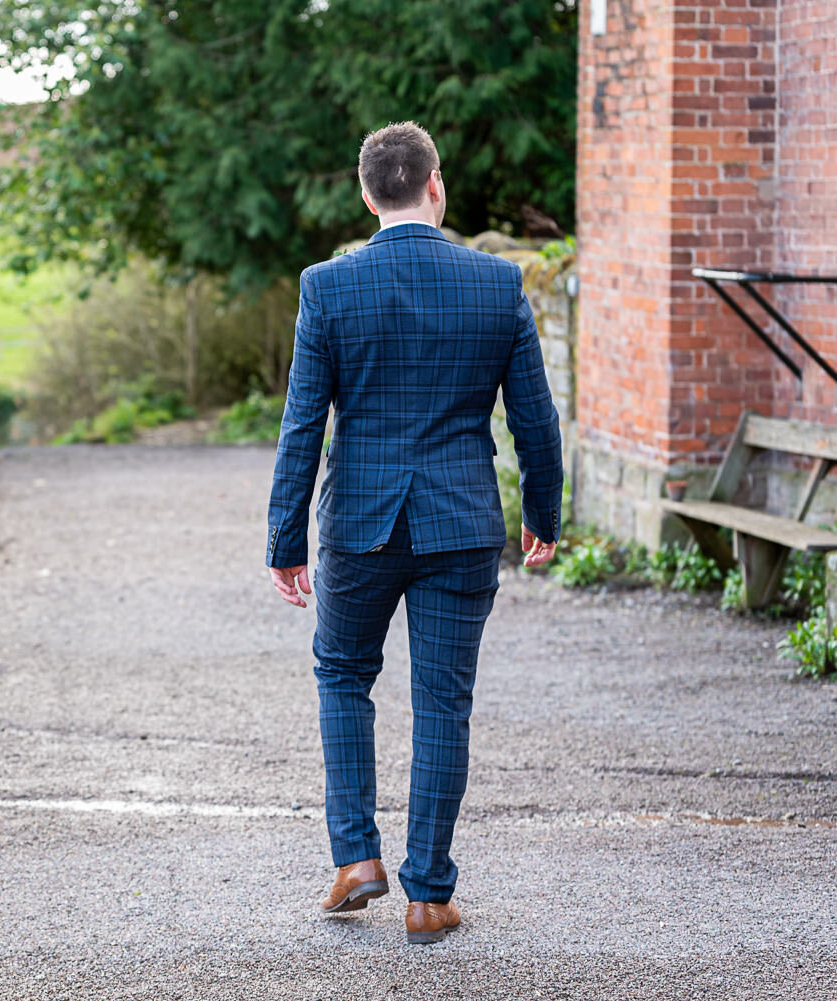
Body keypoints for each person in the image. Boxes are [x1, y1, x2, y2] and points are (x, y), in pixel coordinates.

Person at [264, 121, 563, 945]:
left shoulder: (328, 285)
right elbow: (537, 419)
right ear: (436, 184)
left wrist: (285, 536)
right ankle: (429, 894)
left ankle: (356, 858)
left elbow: (302, 426)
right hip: (461, 521)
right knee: (443, 703)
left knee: (342, 675)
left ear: (368, 194)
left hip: (359, 520)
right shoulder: (497, 283)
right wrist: (544, 514)